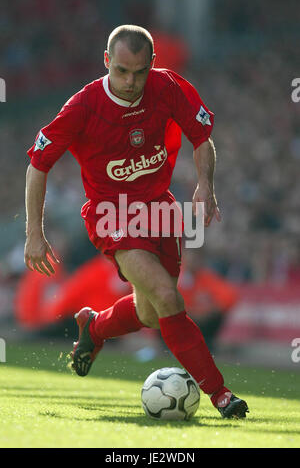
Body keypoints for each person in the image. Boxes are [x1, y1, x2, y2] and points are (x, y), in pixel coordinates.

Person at [24, 25, 249, 419]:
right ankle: (221, 395)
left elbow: (201, 136)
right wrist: (34, 234)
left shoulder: (167, 88)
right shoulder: (83, 106)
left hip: (159, 212)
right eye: (122, 71)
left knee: (149, 313)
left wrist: (204, 185)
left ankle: (94, 328)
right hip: (111, 215)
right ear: (107, 61)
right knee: (168, 298)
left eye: (139, 72)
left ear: (152, 66)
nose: (131, 81)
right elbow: (38, 164)